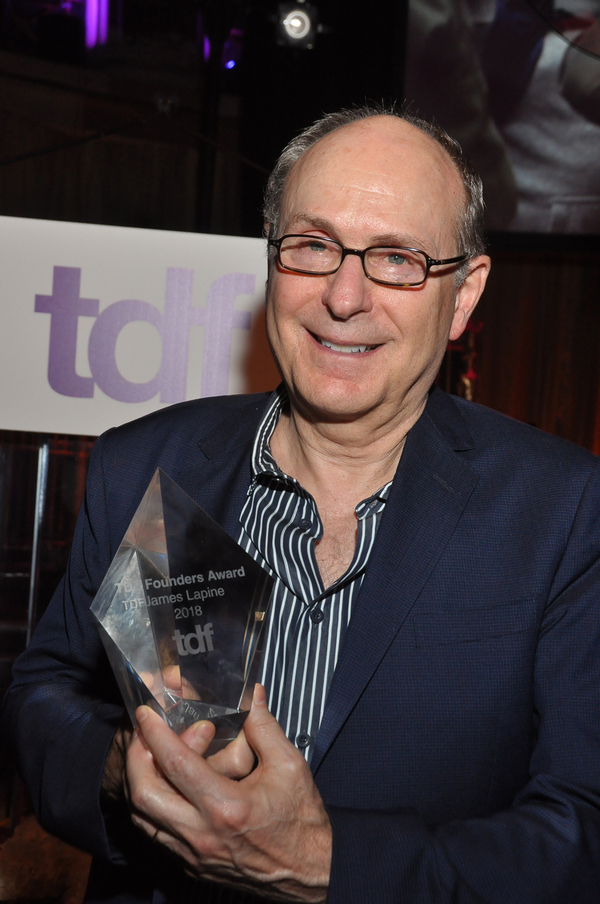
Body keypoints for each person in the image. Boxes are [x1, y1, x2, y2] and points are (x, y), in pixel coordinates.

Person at [4, 106, 600, 904]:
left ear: (463, 295)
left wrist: (325, 865)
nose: (343, 296)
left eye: (396, 258)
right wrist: (124, 769)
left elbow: (580, 829)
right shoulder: (147, 467)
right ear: (272, 259)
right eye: (314, 246)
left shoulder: (561, 513)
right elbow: (43, 693)